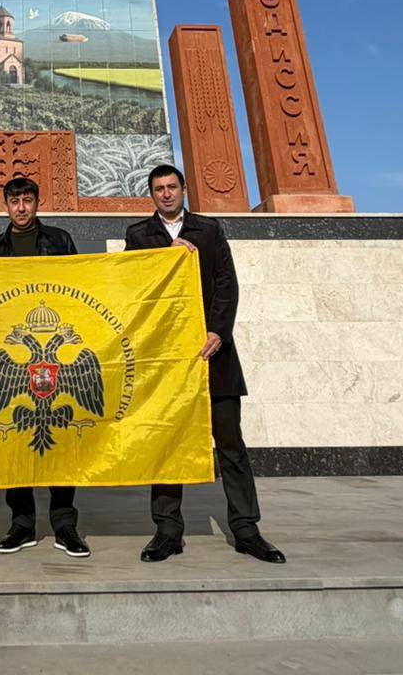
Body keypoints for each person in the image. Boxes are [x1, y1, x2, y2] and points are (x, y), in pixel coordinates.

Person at [125, 164, 285, 565]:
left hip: (214, 355)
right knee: (167, 445)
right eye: (158, 189)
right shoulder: (139, 236)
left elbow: (227, 283)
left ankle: (246, 530)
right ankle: (167, 531)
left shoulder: (209, 230)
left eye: (171, 187)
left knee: (230, 445)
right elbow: (131, 285)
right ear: (151, 195)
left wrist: (218, 331)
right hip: (167, 361)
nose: (166, 194)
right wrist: (162, 259)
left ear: (184, 189)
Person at [0, 175, 91, 559]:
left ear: (36, 203)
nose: (21, 207)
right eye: (15, 201)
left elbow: (80, 289)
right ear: (6, 206)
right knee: (16, 440)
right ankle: (22, 524)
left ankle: (65, 526)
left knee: (61, 444)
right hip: (16, 352)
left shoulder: (60, 241)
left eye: (27, 199)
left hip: (54, 357)